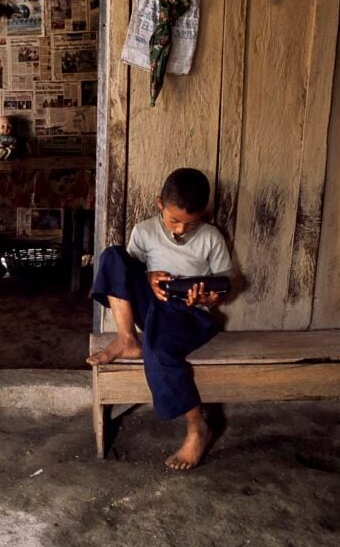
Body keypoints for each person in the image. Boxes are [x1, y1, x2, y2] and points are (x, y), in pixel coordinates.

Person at [87, 168, 232, 471]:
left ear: (203, 213)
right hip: (154, 306)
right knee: (112, 256)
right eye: (174, 220)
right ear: (159, 205)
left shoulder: (211, 237)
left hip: (190, 315)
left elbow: (227, 282)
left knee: (159, 351)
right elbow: (124, 276)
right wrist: (148, 276)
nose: (180, 230)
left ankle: (197, 429)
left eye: (190, 223)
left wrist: (207, 298)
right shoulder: (144, 231)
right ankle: (127, 339)